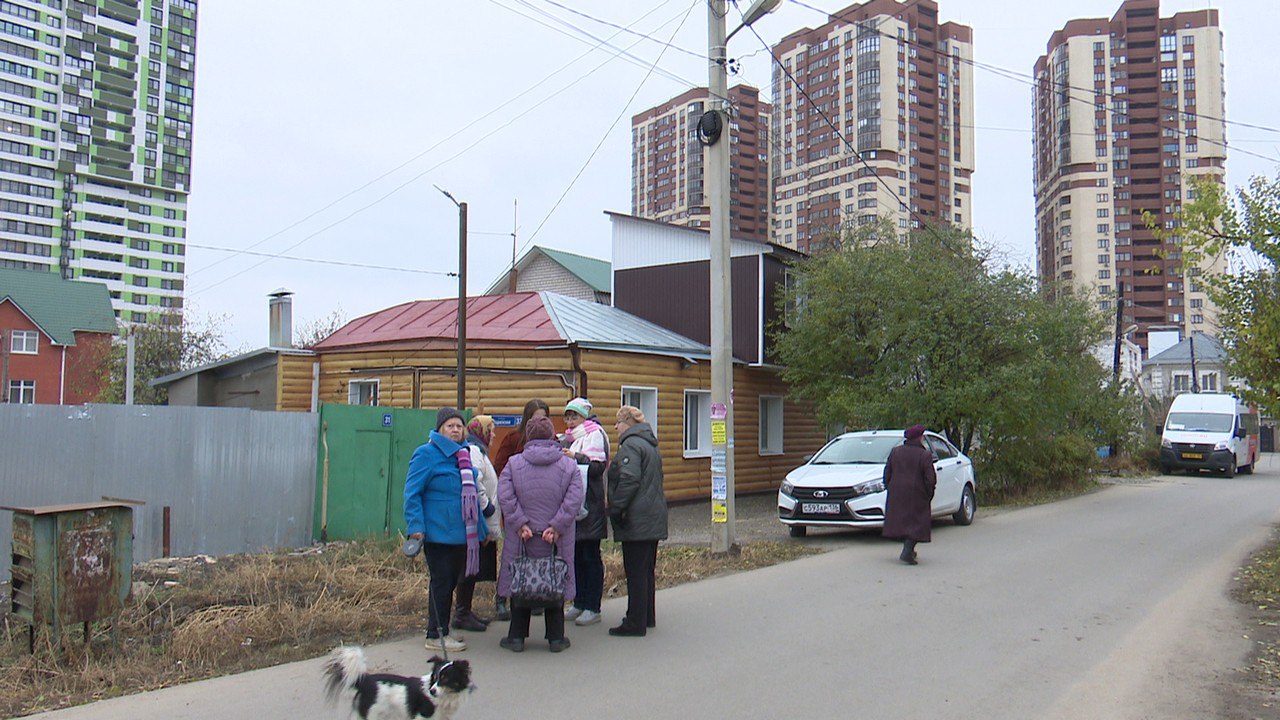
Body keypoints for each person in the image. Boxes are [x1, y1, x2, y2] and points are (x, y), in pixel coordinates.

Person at [404, 407, 491, 653]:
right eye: (450, 426)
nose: (455, 430)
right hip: (437, 532)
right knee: (442, 582)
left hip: (461, 534)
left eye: (458, 426)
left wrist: (482, 531)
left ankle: (442, 626)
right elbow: (412, 493)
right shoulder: (426, 454)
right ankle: (436, 633)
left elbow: (472, 498)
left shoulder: (462, 456)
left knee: (452, 581)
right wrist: (416, 527)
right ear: (440, 429)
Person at [496, 415, 583, 652]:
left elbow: (504, 495)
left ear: (528, 437)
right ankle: (556, 638)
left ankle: (516, 637)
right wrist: (556, 526)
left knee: (521, 580)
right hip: (556, 537)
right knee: (554, 580)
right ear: (552, 436)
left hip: (522, 536)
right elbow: (574, 499)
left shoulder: (514, 464)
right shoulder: (568, 465)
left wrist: (519, 522)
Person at [606, 405, 667, 637]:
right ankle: (646, 616)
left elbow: (629, 480)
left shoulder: (631, 445)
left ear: (628, 423)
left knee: (635, 572)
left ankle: (634, 622)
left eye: (618, 423)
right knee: (646, 570)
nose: (615, 427)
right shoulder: (651, 445)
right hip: (653, 515)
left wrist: (616, 508)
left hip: (636, 518)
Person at [491, 398, 551, 621]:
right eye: (536, 417)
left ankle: (534, 596)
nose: (539, 422)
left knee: (539, 554)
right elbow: (500, 469)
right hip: (517, 506)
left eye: (543, 417)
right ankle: (502, 597)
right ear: (527, 418)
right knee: (512, 554)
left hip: (541, 507)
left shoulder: (550, 440)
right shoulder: (514, 438)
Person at [560, 397, 608, 627]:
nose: (570, 420)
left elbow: (598, 467)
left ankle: (592, 606)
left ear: (584, 416)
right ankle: (578, 602)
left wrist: (576, 458)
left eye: (574, 416)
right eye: (567, 416)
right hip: (573, 504)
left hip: (591, 505)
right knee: (576, 556)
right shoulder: (568, 439)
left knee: (590, 557)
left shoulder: (594, 434)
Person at [451, 415, 499, 632]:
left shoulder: (479, 451)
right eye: (492, 430)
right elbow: (474, 481)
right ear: (483, 432)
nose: (494, 435)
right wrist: (486, 507)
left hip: (480, 520)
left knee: (472, 568)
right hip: (477, 521)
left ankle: (465, 611)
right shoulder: (474, 452)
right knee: (468, 567)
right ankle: (461, 613)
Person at [882, 424, 937, 565]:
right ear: (919, 438)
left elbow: (887, 473)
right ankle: (907, 551)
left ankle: (909, 549)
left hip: (897, 493)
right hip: (917, 494)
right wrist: (928, 494)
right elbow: (930, 479)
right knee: (917, 524)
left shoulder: (895, 452)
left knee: (902, 523)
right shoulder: (924, 455)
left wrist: (891, 488)